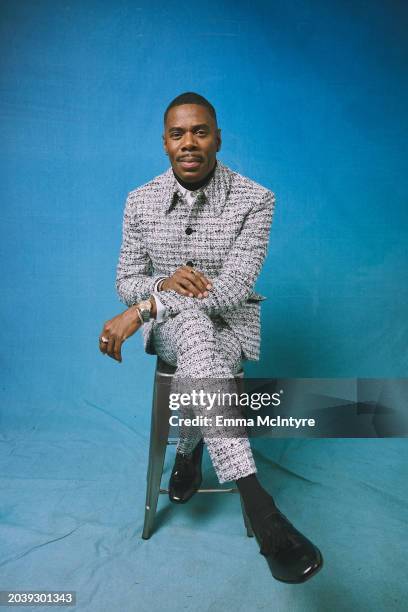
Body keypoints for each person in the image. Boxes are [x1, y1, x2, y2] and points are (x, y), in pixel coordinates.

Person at [99, 92, 323, 583]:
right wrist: (159, 288)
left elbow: (230, 294)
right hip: (174, 334)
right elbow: (126, 278)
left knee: (207, 336)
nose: (189, 142)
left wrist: (146, 306)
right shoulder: (140, 201)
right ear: (164, 143)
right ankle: (260, 505)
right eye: (178, 134)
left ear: (218, 138)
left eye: (200, 131)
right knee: (195, 330)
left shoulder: (255, 200)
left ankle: (189, 451)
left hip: (231, 326)